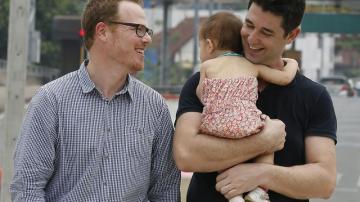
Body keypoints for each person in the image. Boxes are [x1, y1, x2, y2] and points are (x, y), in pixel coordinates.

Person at [10, 0, 180, 201]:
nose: (148, 39)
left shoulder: (155, 107)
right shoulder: (50, 101)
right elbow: (27, 188)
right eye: (139, 29)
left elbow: (165, 192)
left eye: (147, 30)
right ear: (102, 31)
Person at [173, 0, 337, 202]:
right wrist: (264, 141)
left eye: (266, 33)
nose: (251, 38)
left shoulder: (314, 96)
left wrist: (261, 174)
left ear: (292, 35)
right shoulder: (207, 81)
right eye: (249, 25)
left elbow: (325, 181)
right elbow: (185, 155)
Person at [195, 11, 298, 202]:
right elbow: (284, 78)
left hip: (216, 125)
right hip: (247, 123)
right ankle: (259, 191)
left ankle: (234, 197)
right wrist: (292, 62)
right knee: (269, 138)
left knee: (221, 154)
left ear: (209, 45)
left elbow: (201, 94)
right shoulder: (251, 66)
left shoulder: (207, 67)